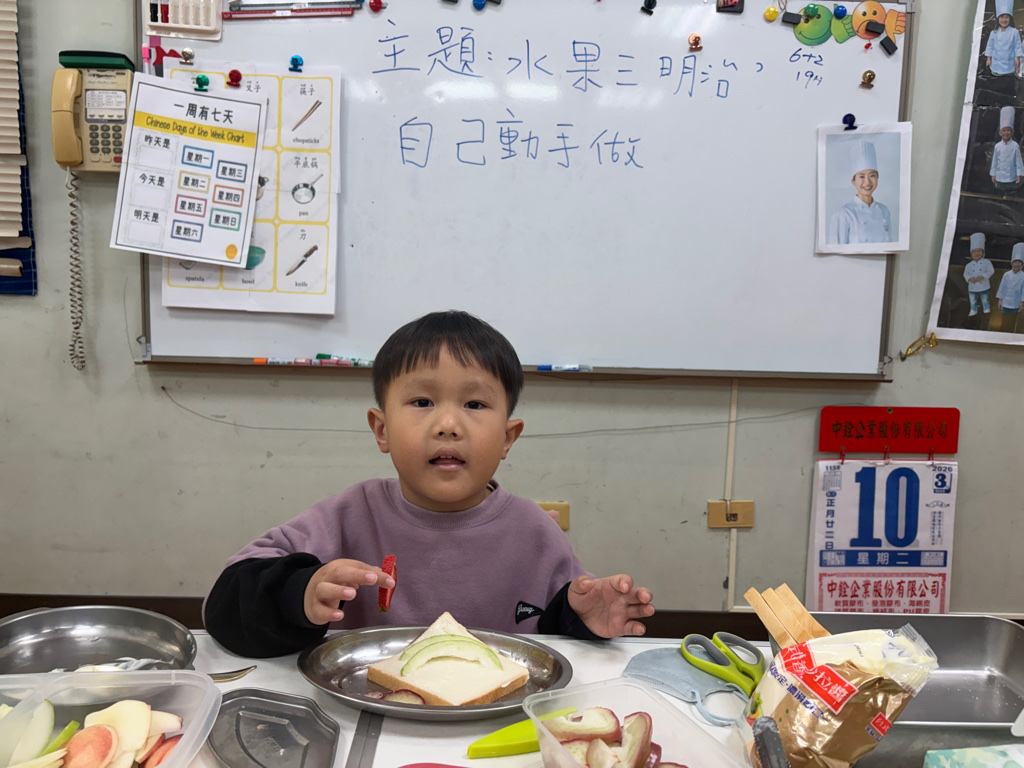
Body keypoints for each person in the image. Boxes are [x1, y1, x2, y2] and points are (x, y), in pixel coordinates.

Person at [203, 310, 655, 658]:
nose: (448, 424)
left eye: (474, 404)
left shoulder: (534, 531)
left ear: (507, 438)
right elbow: (222, 605)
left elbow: (554, 631)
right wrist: (299, 593)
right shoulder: (348, 516)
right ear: (381, 429)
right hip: (366, 714)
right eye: (422, 401)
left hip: (493, 720)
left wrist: (582, 619)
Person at [828, 140, 893, 246]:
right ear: (853, 181)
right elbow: (835, 252)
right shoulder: (843, 214)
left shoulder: (884, 211)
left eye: (872, 176)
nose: (867, 182)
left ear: (878, 178)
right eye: (862, 176)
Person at [985, 0, 1023, 77]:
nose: (1004, 20)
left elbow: (1017, 47)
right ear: (998, 18)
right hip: (996, 64)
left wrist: (1017, 60)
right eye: (1002, 17)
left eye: (1007, 17)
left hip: (1009, 65)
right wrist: (989, 59)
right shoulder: (994, 33)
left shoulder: (1014, 32)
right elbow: (990, 46)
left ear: (1010, 19)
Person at [991, 106, 1024, 192]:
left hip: (1013, 177)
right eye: (1004, 131)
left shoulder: (1015, 145)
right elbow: (994, 161)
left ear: (1012, 132)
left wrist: (1019, 174)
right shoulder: (997, 146)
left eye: (1008, 130)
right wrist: (993, 174)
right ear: (1000, 133)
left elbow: (1018, 161)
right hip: (1000, 178)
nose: (1006, 133)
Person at [965, 232, 995, 318]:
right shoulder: (969, 265)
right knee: (972, 299)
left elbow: (991, 271)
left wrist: (983, 276)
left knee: (984, 298)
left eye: (979, 251)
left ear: (982, 252)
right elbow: (965, 274)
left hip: (983, 285)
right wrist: (969, 279)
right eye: (974, 252)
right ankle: (973, 309)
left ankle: (986, 308)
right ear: (971, 254)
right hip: (972, 286)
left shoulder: (987, 262)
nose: (976, 253)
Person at [997, 243, 1024, 332]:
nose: (1017, 264)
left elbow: (1023, 290)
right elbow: (1002, 287)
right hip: (1006, 301)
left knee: (1013, 321)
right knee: (1004, 321)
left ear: (1022, 264)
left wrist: (1022, 302)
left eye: (1019, 262)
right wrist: (1000, 299)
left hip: (1016, 302)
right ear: (1012, 263)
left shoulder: (1023, 276)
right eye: (1015, 262)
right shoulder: (1006, 274)